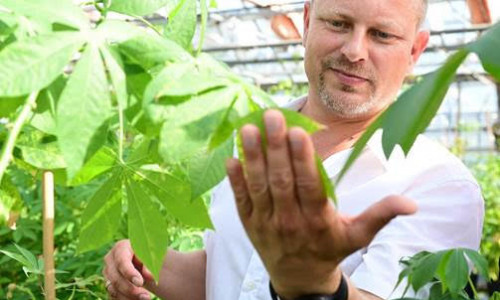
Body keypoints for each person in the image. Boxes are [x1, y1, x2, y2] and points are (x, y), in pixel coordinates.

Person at [103, 0, 484, 299]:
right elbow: (231, 276)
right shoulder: (244, 136)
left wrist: (320, 287)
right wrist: (148, 262)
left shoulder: (437, 184)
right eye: (338, 23)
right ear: (306, 23)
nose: (354, 50)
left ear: (415, 50)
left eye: (382, 35)